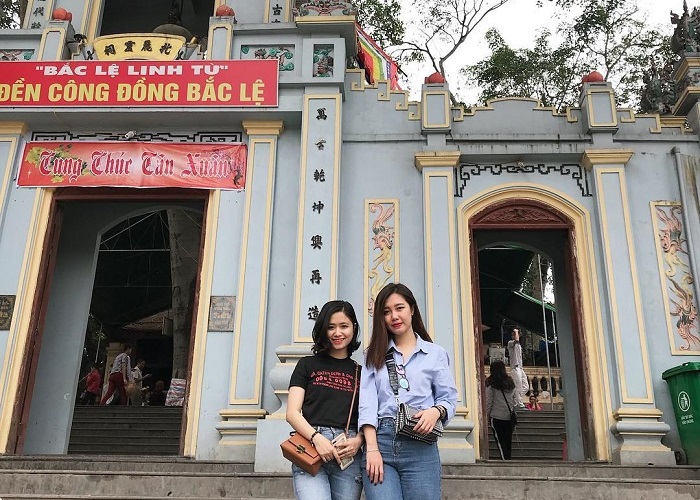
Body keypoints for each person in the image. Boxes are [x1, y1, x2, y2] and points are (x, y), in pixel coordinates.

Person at [359, 283, 457, 500]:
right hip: (381, 443)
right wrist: (372, 449)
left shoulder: (435, 354)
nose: (394, 316)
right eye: (386, 311)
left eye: (399, 308)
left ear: (412, 309)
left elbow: (448, 399)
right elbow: (367, 404)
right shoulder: (373, 355)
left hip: (420, 445)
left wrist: (435, 412)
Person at [286, 300, 364, 500]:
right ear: (323, 329)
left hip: (347, 454)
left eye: (344, 326)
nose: (338, 333)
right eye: (331, 327)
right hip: (311, 446)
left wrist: (359, 441)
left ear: (354, 328)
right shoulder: (306, 365)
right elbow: (292, 413)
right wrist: (317, 438)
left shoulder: (361, 373)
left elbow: (369, 416)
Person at [486, 360, 520, 460]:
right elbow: (515, 400)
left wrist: (487, 415)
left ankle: (505, 460)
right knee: (508, 441)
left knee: (500, 442)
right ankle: (508, 458)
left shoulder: (492, 384)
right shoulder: (510, 383)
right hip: (509, 416)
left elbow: (489, 402)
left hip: (496, 416)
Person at [506, 327, 528, 406]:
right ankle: (519, 404)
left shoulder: (519, 345)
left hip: (520, 368)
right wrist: (516, 331)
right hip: (515, 368)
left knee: (526, 387)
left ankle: (514, 398)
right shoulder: (510, 343)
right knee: (518, 387)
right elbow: (517, 340)